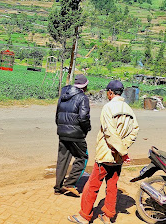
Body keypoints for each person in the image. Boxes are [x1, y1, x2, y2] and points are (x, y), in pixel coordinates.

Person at [68, 80, 139, 224]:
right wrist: (123, 149)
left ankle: (84, 216)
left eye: (108, 92)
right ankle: (107, 216)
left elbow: (109, 133)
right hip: (118, 158)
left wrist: (121, 150)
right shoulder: (128, 109)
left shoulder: (109, 107)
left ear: (111, 92)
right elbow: (135, 131)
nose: (107, 94)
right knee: (112, 186)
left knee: (92, 186)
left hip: (106, 154)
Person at [54, 74, 91, 196]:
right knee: (82, 158)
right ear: (84, 86)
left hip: (62, 132)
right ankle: (69, 183)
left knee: (62, 160)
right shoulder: (82, 98)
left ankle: (58, 188)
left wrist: (61, 127)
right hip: (76, 134)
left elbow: (57, 113)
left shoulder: (63, 94)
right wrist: (87, 129)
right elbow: (83, 117)